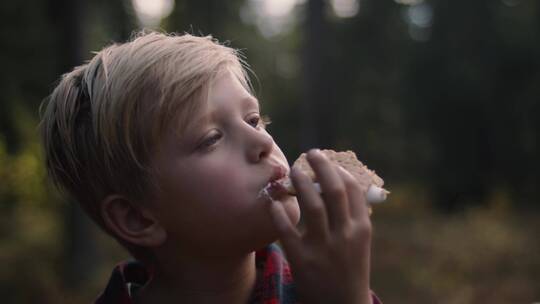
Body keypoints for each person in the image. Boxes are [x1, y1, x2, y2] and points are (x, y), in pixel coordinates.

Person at [40, 31, 382, 304]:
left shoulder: (327, 294)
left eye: (254, 119)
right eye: (212, 138)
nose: (262, 143)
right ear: (138, 217)